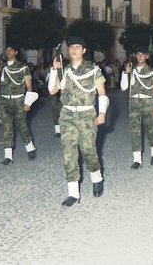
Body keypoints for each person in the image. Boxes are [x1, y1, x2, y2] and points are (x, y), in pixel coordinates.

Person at [48, 36, 108, 207]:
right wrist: (54, 70)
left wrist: (102, 113)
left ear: (83, 50)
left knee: (89, 150)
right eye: (71, 47)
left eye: (77, 47)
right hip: (67, 116)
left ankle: (97, 177)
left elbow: (102, 93)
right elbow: (52, 90)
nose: (73, 50)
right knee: (69, 154)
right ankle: (73, 193)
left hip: (87, 115)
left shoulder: (93, 70)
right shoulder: (64, 70)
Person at [0, 45, 38, 165]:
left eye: (11, 50)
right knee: (6, 128)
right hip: (5, 101)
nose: (8, 52)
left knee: (22, 126)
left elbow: (29, 86)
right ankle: (8, 156)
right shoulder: (2, 67)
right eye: (7, 50)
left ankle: (30, 147)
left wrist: (28, 102)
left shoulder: (23, 67)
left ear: (16, 52)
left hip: (19, 101)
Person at [120, 46, 153, 169]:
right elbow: (123, 88)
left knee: (151, 130)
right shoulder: (131, 71)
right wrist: (125, 73)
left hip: (147, 104)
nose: (140, 57)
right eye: (138, 54)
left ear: (147, 56)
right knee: (135, 132)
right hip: (133, 105)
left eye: (142, 54)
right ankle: (137, 159)